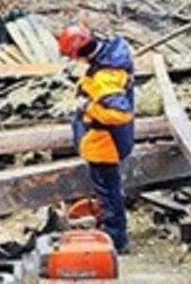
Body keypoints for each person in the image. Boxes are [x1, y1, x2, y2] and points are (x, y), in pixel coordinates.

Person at [58, 24, 135, 254]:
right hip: (103, 140)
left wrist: (88, 107)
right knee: (109, 190)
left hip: (105, 142)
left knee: (109, 193)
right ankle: (114, 232)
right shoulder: (107, 57)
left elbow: (120, 113)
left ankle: (116, 240)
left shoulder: (105, 76)